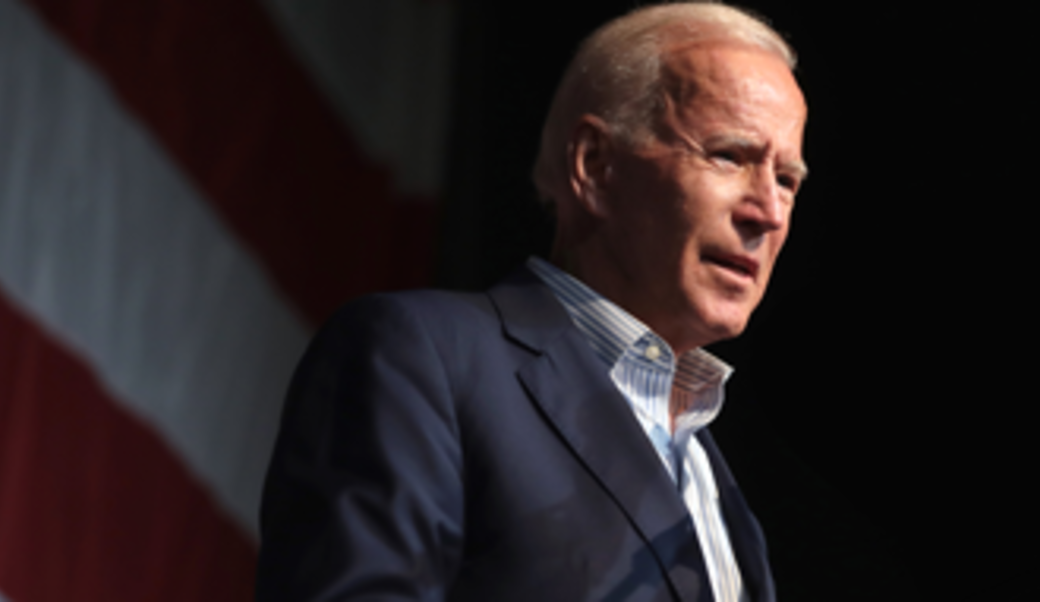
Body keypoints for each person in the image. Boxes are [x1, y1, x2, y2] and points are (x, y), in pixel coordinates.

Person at [257, 2, 807, 601]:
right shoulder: (422, 358)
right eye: (729, 156)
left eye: (786, 179)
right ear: (594, 166)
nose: (769, 213)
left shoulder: (722, 498)